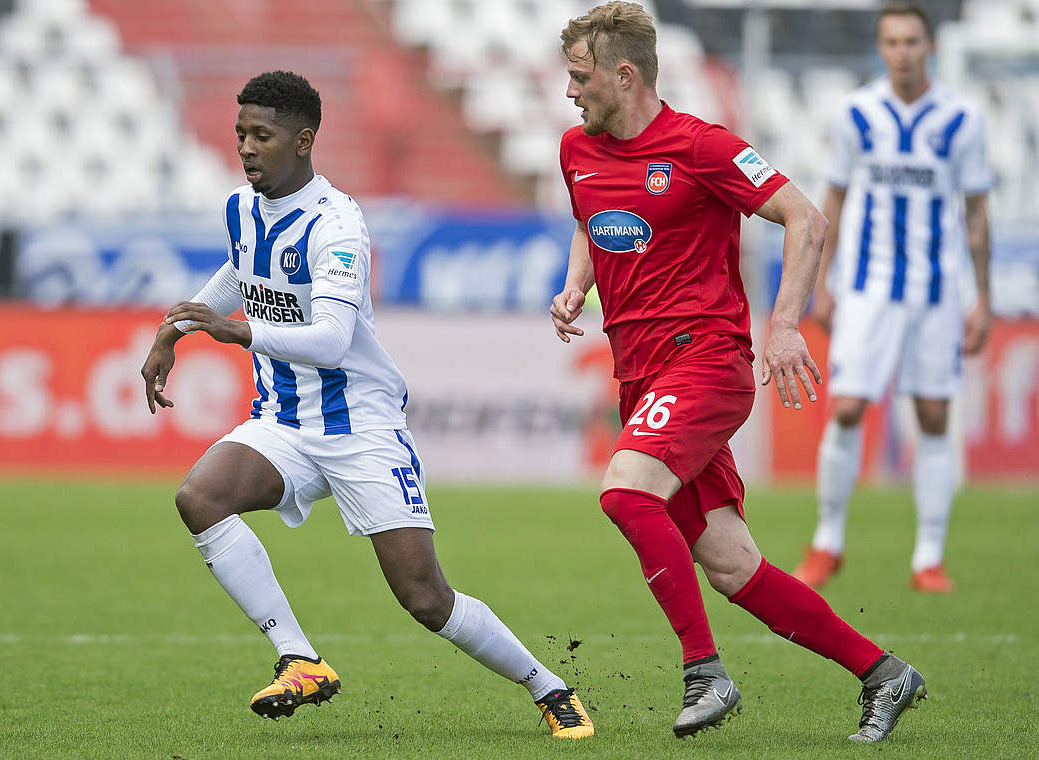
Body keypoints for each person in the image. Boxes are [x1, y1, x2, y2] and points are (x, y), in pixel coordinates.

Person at [140, 71, 593, 740]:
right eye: (240, 135)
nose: (247, 148)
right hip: (284, 424)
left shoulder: (339, 224)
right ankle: (300, 659)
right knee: (200, 498)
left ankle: (548, 687)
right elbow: (242, 272)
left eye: (262, 136)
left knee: (424, 597)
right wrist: (173, 331)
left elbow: (330, 339)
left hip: (361, 429)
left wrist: (239, 332)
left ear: (303, 140)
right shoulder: (240, 207)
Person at [549, 3, 925, 743]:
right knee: (730, 564)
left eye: (580, 77)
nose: (571, 92)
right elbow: (590, 219)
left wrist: (783, 325)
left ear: (625, 76)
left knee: (627, 493)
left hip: (706, 360)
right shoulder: (576, 149)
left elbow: (807, 218)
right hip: (641, 377)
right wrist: (576, 284)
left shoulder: (703, 146)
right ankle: (885, 673)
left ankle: (703, 672)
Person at [794, 1, 992, 594]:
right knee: (849, 405)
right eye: (892, 42)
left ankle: (928, 557)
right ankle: (828, 542)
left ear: (929, 45)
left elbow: (977, 213)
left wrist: (981, 296)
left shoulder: (963, 119)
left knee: (933, 416)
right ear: (880, 48)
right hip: (867, 288)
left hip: (936, 292)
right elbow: (833, 199)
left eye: (911, 41)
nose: (902, 52)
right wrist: (820, 281)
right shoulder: (856, 113)